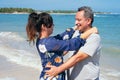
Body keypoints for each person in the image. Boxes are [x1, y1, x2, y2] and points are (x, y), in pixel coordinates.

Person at [26, 12, 98, 80]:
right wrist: (89, 32)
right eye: (52, 24)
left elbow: (61, 36)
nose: (53, 26)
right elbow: (71, 44)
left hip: (47, 75)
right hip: (53, 76)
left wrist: (75, 27)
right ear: (44, 27)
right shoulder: (49, 42)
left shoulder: (41, 41)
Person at [46, 6, 101, 80]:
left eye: (79, 20)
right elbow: (66, 49)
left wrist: (58, 70)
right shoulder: (77, 32)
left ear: (88, 21)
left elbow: (78, 57)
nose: (76, 22)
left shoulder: (94, 37)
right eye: (75, 19)